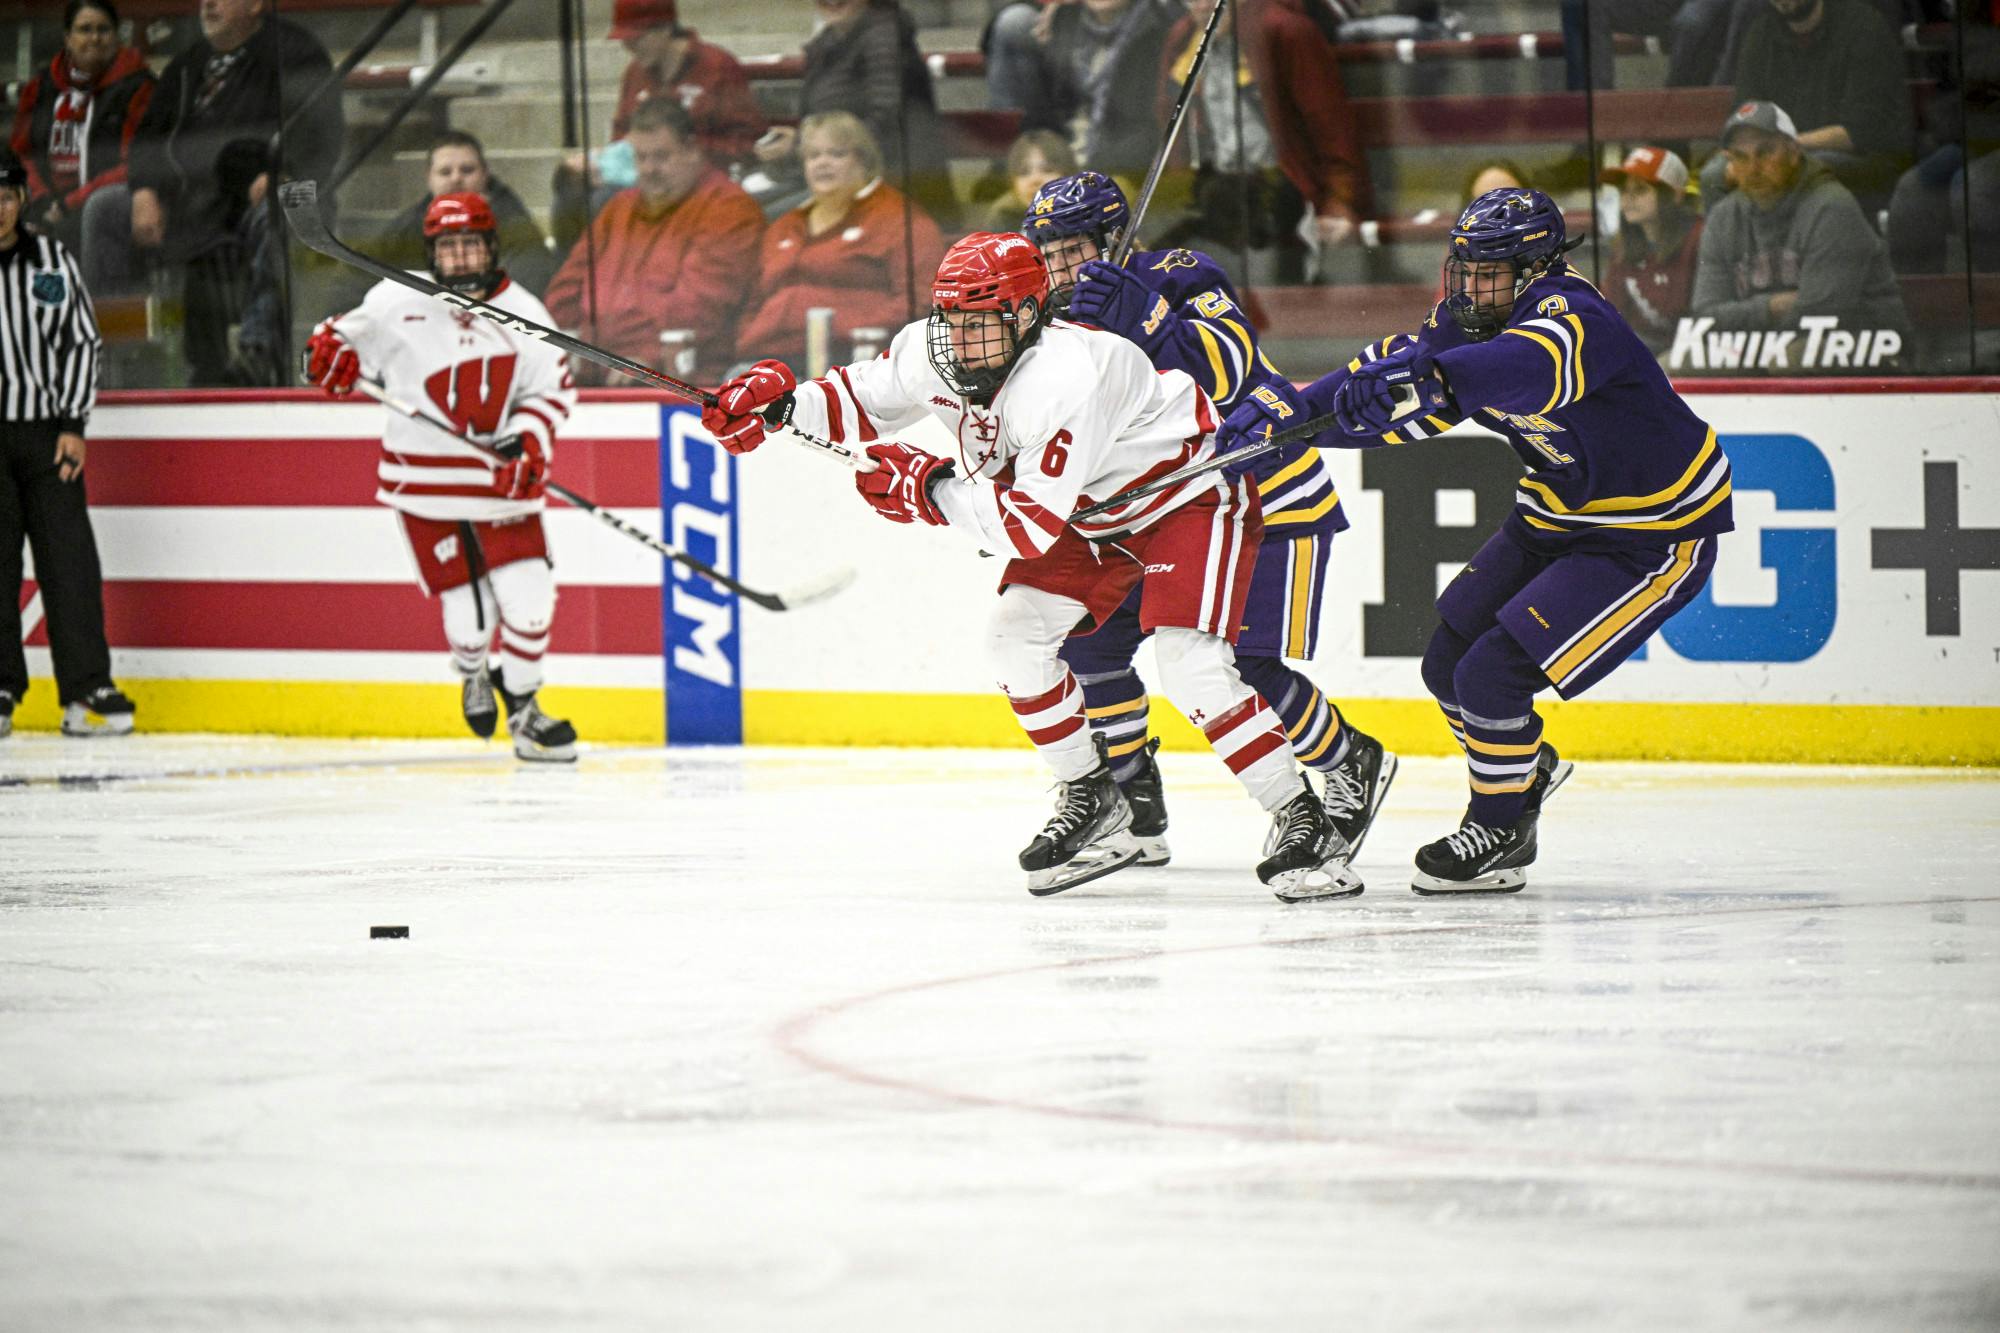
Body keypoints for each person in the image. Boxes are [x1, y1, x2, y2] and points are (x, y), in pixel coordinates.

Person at [704, 233, 1355, 901]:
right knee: (1012, 640)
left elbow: (1025, 526)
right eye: (952, 320)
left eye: (979, 322)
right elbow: (863, 397)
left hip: (1182, 497)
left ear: (1026, 316)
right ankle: (1095, 797)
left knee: (1189, 664)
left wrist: (928, 492)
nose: (960, 340)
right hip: (1090, 512)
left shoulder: (1065, 377)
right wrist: (780, 406)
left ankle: (1302, 818)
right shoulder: (936, 349)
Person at [1257, 188, 1733, 893]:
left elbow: (1518, 368)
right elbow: (1392, 382)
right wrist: (1288, 419)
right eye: (1468, 270)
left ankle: (1503, 825)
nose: (1473, 287)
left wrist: (1430, 377)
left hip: (1655, 532)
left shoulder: (1575, 317)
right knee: (1447, 660)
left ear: (1536, 269)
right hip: (1558, 511)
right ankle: (1525, 768)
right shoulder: (1466, 321)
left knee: (1492, 675)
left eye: (1491, 272)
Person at [1022, 169, 1395, 888]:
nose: (1058, 268)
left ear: (1113, 240)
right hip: (1161, 512)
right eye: (1048, 252)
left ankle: (1348, 759)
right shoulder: (1053, 322)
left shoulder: (1182, 274)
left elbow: (1234, 371)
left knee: (1243, 663)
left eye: (1072, 250)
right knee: (1089, 646)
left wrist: (1148, 321)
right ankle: (1133, 811)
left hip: (1267, 489)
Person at [303, 193, 580, 762]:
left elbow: (551, 390)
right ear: (432, 251)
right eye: (447, 247)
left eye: (470, 244)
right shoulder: (392, 298)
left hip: (500, 487)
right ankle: (474, 671)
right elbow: (334, 341)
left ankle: (525, 711)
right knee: (471, 625)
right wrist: (328, 354)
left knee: (530, 606)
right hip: (423, 486)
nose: (459, 258)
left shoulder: (525, 311)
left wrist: (529, 441)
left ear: (492, 247)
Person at [127, 0, 342, 386]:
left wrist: (285, 171)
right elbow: (148, 137)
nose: (207, 4)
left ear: (256, 4)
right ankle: (109, 355)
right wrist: (143, 189)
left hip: (273, 194)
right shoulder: (188, 64)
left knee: (277, 213)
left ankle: (258, 349)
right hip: (192, 202)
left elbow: (323, 131)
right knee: (105, 210)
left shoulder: (294, 53)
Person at [0, 146, 136, 740]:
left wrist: (74, 425)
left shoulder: (49, 261)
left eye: (5, 195)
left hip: (46, 435)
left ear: (21, 200)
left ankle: (85, 688)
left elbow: (81, 343)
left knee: (70, 562)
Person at [543, 99, 764, 380]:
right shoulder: (618, 208)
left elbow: (703, 307)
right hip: (599, 373)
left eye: (661, 157)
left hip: (682, 382)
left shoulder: (729, 210)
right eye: (640, 157)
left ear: (692, 150)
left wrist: (647, 359)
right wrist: (571, 353)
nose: (649, 169)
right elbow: (565, 290)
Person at [1156, 0, 1371, 283]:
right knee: (1157, 258)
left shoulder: (1284, 31)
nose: (1202, 5)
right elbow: (1173, 130)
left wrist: (1340, 201)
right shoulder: (1183, 38)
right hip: (1215, 186)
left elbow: (1331, 129)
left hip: (1281, 187)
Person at [549, 0, 767, 255]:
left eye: (636, 38)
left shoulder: (716, 67)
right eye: (624, 39)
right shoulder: (635, 73)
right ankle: (574, 277)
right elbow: (622, 132)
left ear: (664, 30)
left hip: (697, 179)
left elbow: (749, 141)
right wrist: (604, 161)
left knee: (607, 201)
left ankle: (617, 279)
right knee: (569, 195)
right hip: (642, 174)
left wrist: (687, 153)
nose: (628, 47)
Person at [733, 113, 945, 370]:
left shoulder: (901, 221)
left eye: (836, 154)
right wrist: (750, 336)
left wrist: (845, 324)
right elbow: (753, 300)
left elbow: (922, 301)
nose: (822, 163)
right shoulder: (784, 226)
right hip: (769, 360)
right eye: (813, 156)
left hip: (861, 365)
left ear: (864, 162)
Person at [1690, 101, 1908, 341]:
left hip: (1866, 347)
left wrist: (1742, 319)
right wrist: (1771, 307)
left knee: (1788, 359)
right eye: (1740, 157)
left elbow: (1820, 314)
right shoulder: (1724, 216)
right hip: (1767, 348)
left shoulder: (1831, 207)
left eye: (1765, 153)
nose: (1753, 168)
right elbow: (1705, 315)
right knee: (1671, 369)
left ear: (1793, 152)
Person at [751, 0, 955, 225]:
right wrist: (799, 141)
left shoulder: (884, 38)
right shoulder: (829, 42)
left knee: (753, 219)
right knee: (742, 207)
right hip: (834, 178)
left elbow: (885, 121)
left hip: (884, 185)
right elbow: (830, 123)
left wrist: (802, 145)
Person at [7, 1, 155, 296]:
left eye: (103, 30)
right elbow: (22, 152)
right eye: (84, 30)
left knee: (92, 216)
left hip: (98, 201)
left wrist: (67, 205)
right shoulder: (42, 86)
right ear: (67, 38)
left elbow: (134, 163)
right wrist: (38, 199)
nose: (94, 38)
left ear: (116, 37)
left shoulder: (138, 86)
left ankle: (95, 328)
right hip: (45, 202)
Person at [1725, 0, 1915, 202]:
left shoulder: (1863, 27)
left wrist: (1786, 146)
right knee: (1715, 174)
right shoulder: (1762, 32)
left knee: (1800, 168)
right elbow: (1746, 110)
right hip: (1783, 150)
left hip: (1865, 158)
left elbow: (1862, 131)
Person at [346, 133, 555, 306]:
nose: (456, 178)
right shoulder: (405, 228)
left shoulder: (515, 226)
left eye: (467, 170)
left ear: (485, 173)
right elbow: (354, 280)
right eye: (445, 172)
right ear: (429, 177)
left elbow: (527, 291)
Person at [1601, 146, 1704, 352]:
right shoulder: (1624, 247)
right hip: (1641, 348)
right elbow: (1609, 313)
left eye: (1640, 189)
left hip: (1692, 350)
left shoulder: (1700, 238)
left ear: (1674, 195)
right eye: (1624, 191)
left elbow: (1701, 317)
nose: (1628, 198)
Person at [975, 129, 1076, 234]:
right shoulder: (1004, 215)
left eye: (1048, 170)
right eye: (1024, 172)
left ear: (1068, 175)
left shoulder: (1087, 212)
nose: (1035, 179)